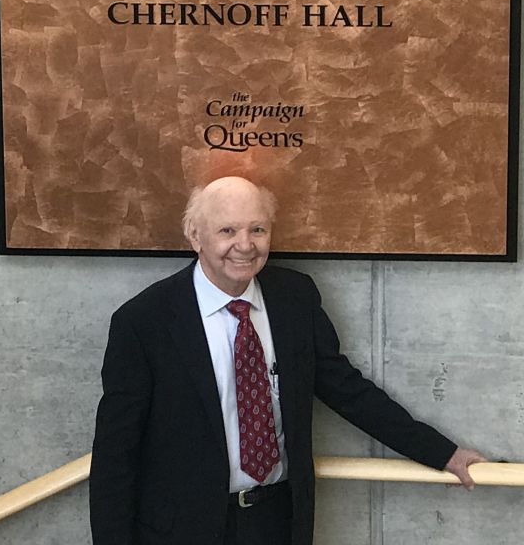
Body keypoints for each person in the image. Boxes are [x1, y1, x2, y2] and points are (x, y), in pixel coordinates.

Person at [89, 176, 484, 545]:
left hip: (278, 521)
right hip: (182, 529)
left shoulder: (294, 298)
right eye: (227, 230)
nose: (245, 245)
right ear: (195, 235)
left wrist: (441, 452)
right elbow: (115, 454)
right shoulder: (144, 321)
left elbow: (347, 390)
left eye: (257, 229)